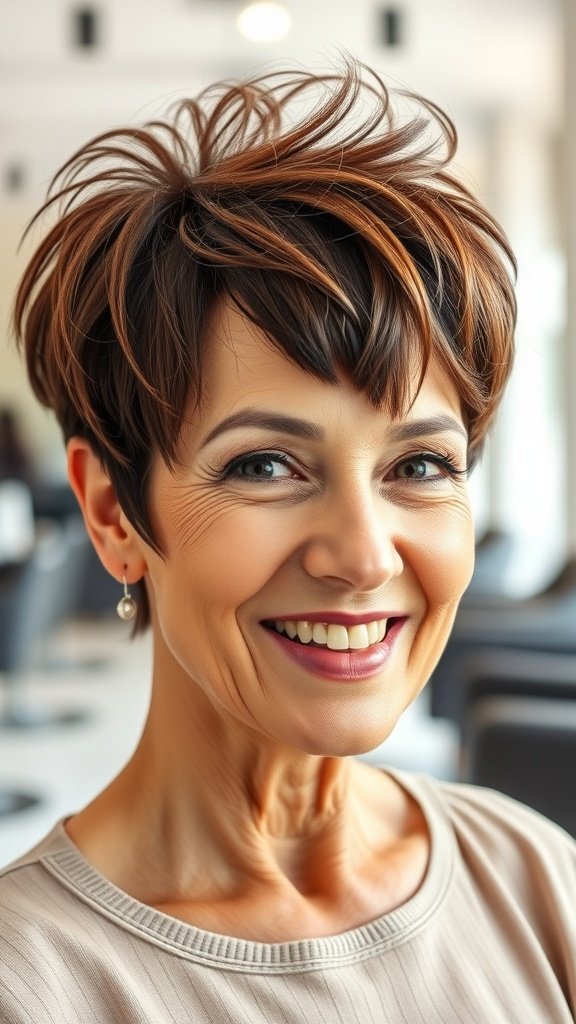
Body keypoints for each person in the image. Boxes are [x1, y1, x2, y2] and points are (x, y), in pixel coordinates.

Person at [1, 60, 574, 1023]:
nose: (364, 555)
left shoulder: (536, 880)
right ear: (111, 512)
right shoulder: (34, 987)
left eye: (421, 466)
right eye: (266, 466)